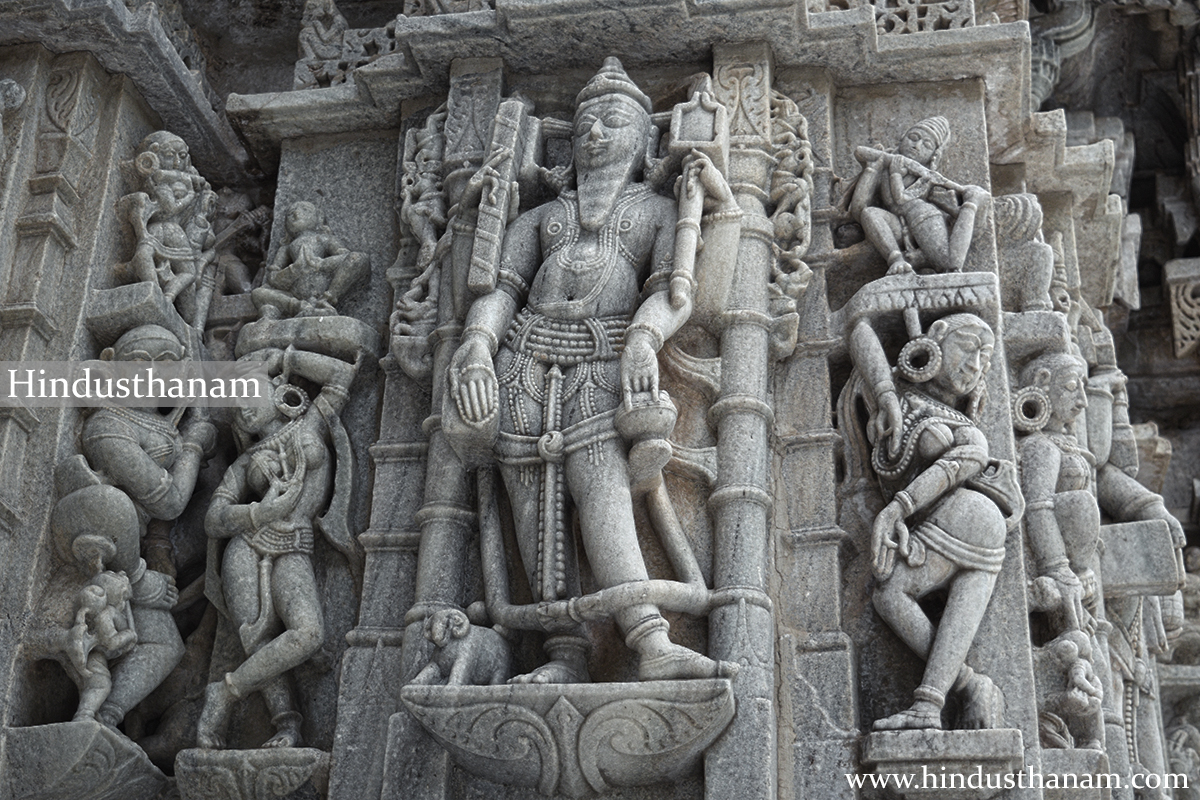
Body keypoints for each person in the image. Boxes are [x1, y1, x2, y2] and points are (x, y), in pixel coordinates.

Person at [446, 57, 736, 684]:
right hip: (523, 361)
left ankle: (649, 639)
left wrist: (642, 338)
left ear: (643, 139)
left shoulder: (658, 212)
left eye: (611, 122)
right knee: (531, 502)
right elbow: (499, 290)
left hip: (603, 362)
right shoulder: (542, 219)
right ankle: (563, 652)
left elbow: (677, 294)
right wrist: (475, 346)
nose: (596, 134)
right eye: (584, 126)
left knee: (599, 490)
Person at [851, 313, 1020, 730]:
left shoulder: (967, 430)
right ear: (937, 337)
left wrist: (898, 509)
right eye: (970, 345)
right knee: (898, 602)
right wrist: (887, 393)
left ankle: (949, 696)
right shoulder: (901, 398)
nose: (977, 362)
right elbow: (858, 329)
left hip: (967, 518)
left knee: (890, 595)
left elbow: (957, 466)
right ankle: (951, 696)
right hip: (958, 523)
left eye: (986, 356)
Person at [197, 347, 357, 749]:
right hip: (248, 546)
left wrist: (285, 356)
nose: (244, 411)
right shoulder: (246, 459)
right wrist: (259, 512)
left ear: (278, 395)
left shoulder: (310, 424)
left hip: (297, 543)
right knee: (255, 637)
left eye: (250, 396)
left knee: (308, 635)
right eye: (236, 408)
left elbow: (341, 373)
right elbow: (213, 519)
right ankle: (287, 724)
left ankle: (226, 692)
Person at [1015, 353, 1098, 632]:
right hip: (1058, 571)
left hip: (1079, 573)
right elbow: (1037, 507)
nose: (1083, 401)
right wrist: (1058, 568)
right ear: (1043, 383)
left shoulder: (1064, 443)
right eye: (1072, 387)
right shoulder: (1040, 446)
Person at [849, 117, 990, 275]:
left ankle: (971, 204)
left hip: (922, 217)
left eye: (927, 145)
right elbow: (858, 210)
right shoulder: (885, 167)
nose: (916, 146)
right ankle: (897, 261)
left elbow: (901, 198)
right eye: (913, 138)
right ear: (903, 137)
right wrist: (871, 169)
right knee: (870, 213)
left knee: (950, 263)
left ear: (933, 156)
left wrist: (968, 207)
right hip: (898, 225)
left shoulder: (927, 178)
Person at [251, 201, 368, 320]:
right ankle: (299, 307)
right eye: (291, 213)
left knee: (358, 258)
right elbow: (273, 278)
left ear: (318, 217)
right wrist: (295, 269)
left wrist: (321, 264)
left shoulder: (325, 239)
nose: (296, 214)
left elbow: (346, 258)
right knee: (257, 293)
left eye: (305, 210)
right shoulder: (285, 248)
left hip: (325, 285)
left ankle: (327, 299)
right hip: (295, 295)